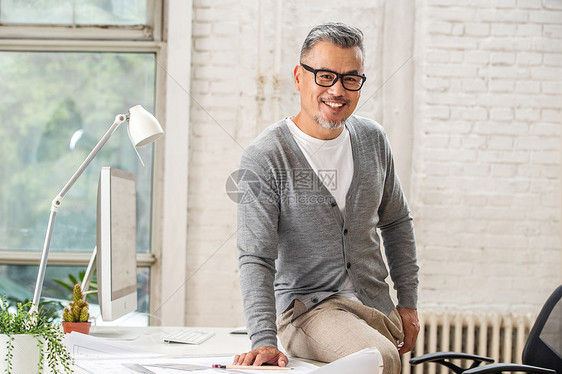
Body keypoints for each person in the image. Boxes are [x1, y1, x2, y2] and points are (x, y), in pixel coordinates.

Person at [234, 22, 420, 374]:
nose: (337, 89)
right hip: (309, 310)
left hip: (374, 306)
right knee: (380, 359)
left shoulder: (373, 139)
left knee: (381, 354)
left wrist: (408, 302)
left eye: (351, 78)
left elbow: (396, 222)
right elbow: (255, 256)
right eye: (324, 75)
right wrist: (263, 340)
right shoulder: (267, 156)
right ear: (299, 77)